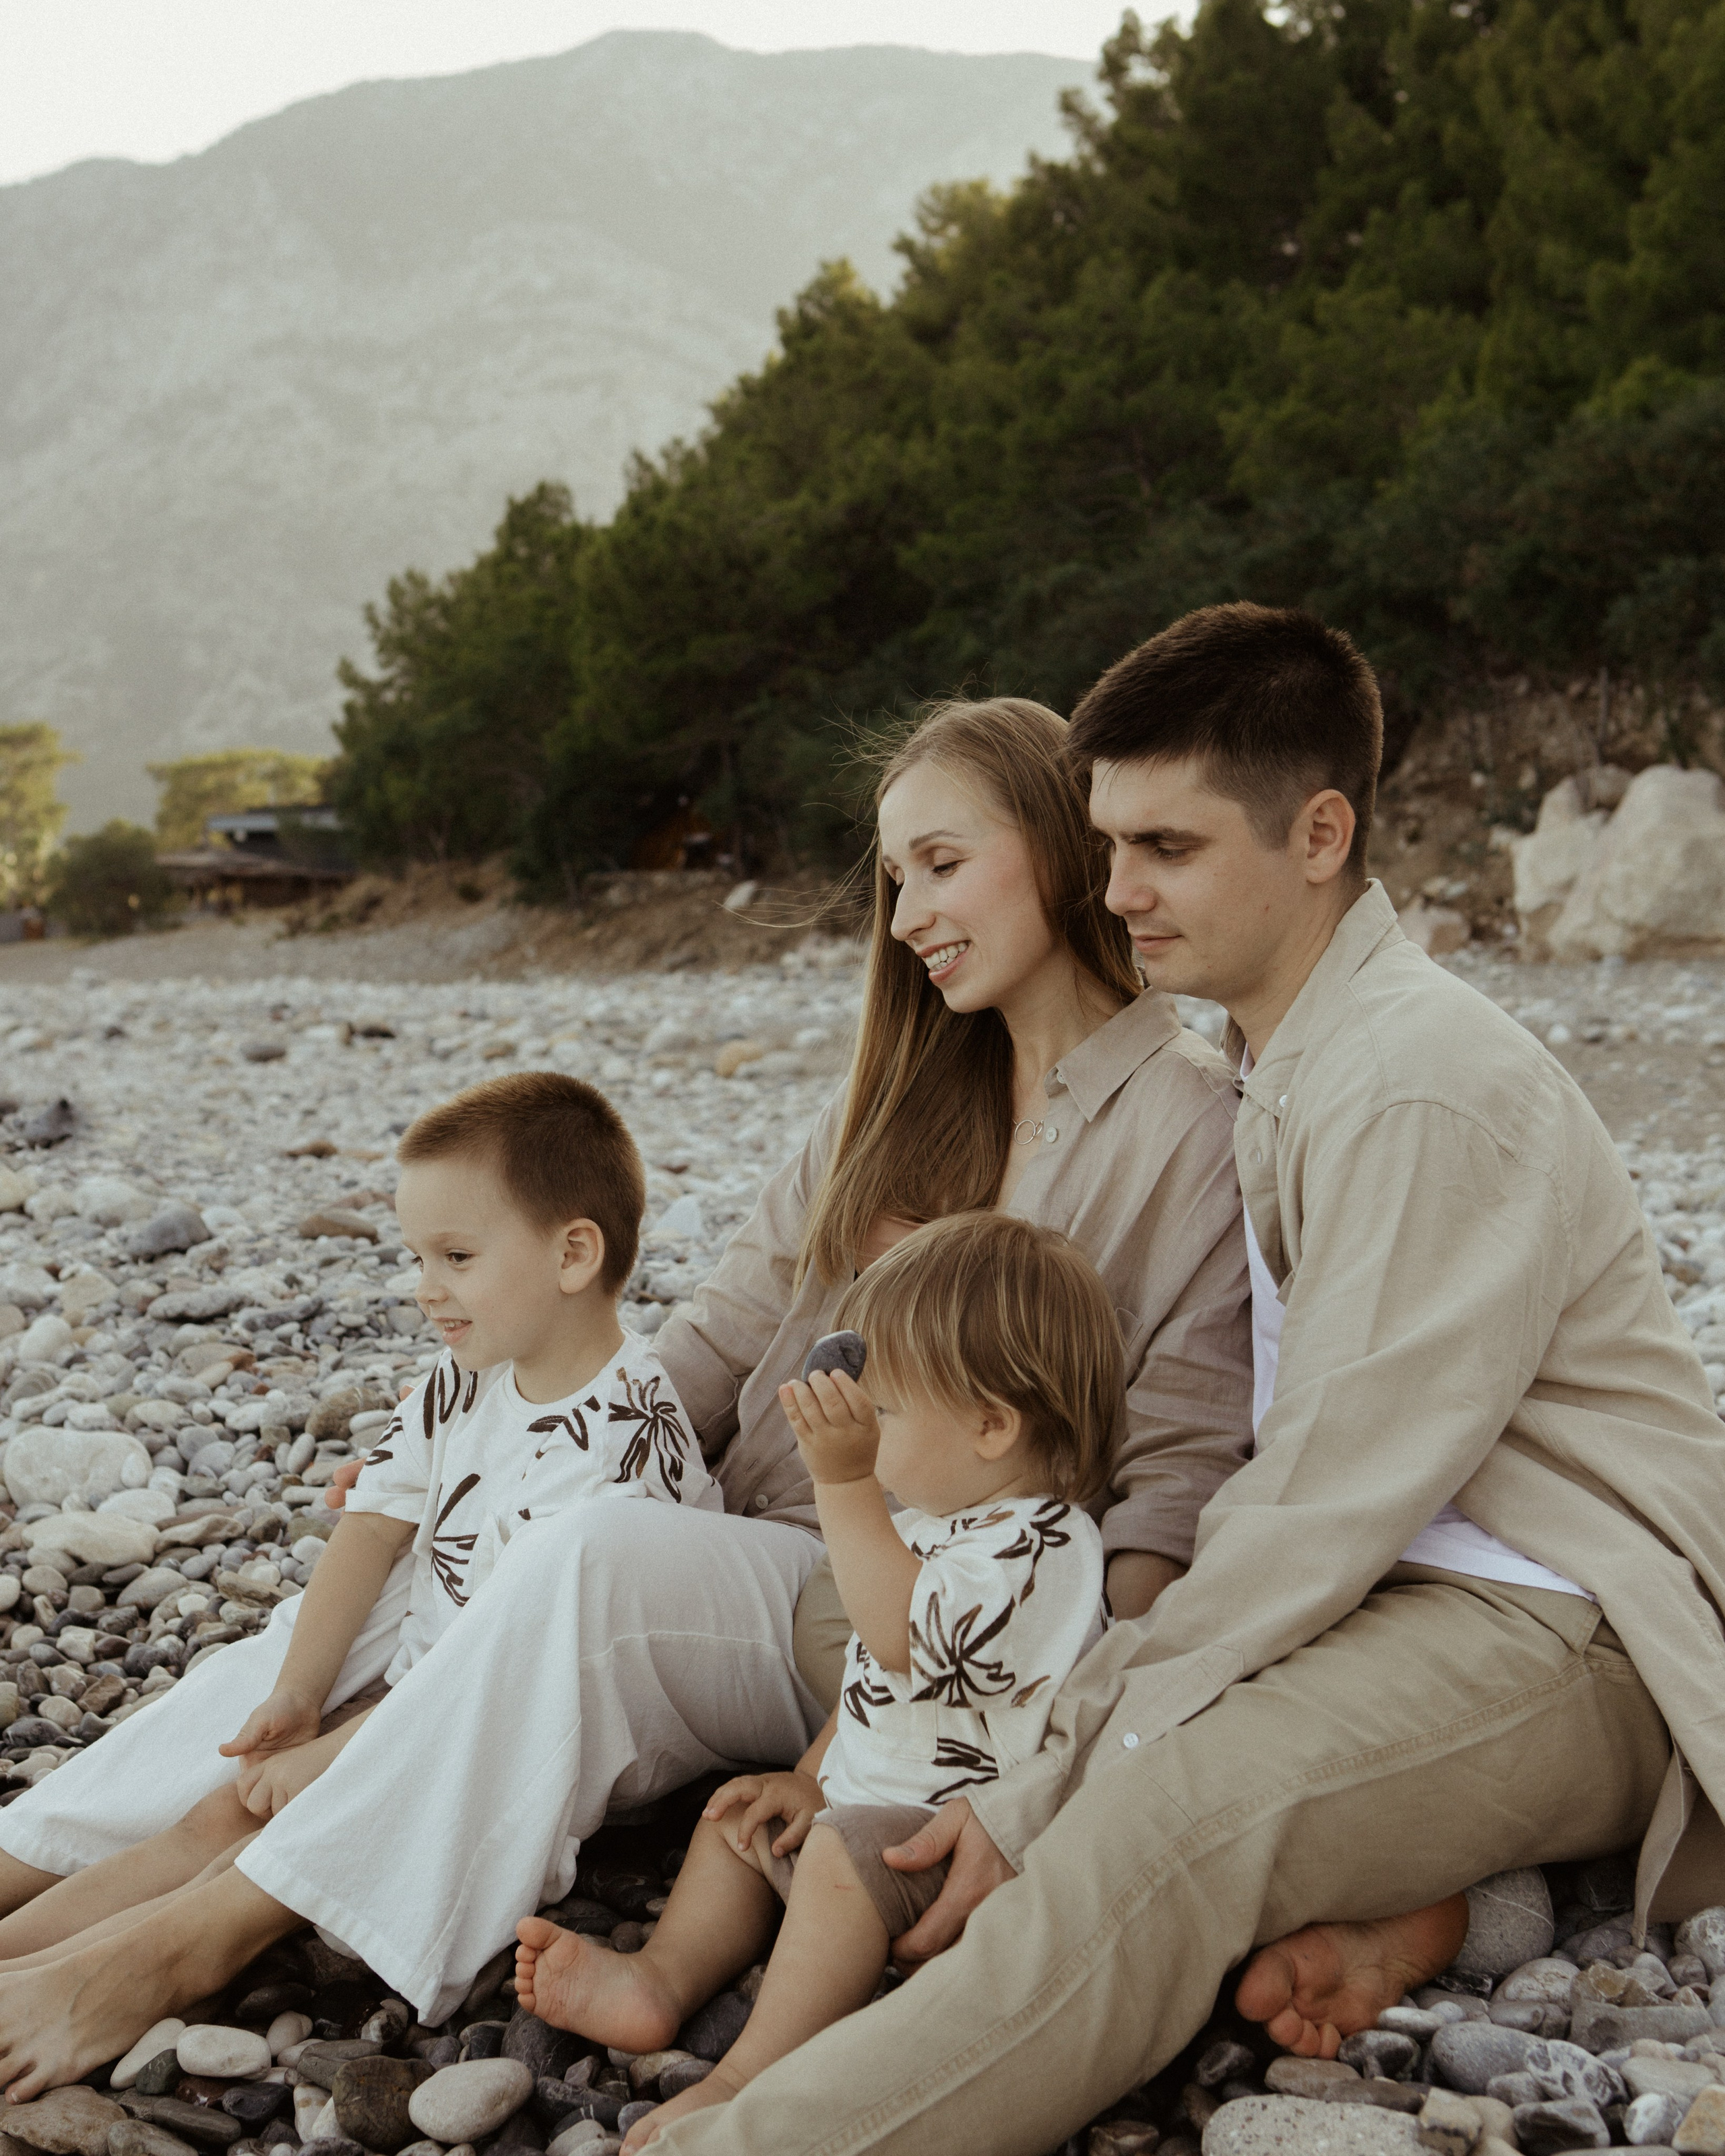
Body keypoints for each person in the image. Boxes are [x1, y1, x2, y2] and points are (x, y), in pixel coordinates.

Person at [0, 694, 1252, 2093]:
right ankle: (32, 1859)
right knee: (431, 1557)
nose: (906, 915)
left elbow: (1181, 1477)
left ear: (1061, 848)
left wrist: (1046, 1778)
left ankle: (193, 1936)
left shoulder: (1191, 1123)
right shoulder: (894, 1101)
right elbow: (709, 1344)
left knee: (592, 1557)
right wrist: (503, 1446)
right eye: (893, 878)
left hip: (920, 1620)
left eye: (943, 865)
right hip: (751, 1560)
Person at [641, 603, 1725, 2156]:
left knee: (1156, 1806)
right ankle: (1427, 1902)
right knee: (1098, 1737)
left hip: (1551, 1612)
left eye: (1164, 845)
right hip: (1392, 1593)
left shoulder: (1413, 1078)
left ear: (1317, 833)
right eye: (1104, 843)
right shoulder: (1282, 1057)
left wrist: (1059, 1769)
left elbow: (1322, 1502)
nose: (1115, 888)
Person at [517, 1212, 1117, 2151]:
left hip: (953, 1859)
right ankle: (660, 1981)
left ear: (992, 1425)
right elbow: (874, 1688)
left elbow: (906, 1640)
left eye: (886, 1415)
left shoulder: (1044, 1548)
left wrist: (840, 1487)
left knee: (837, 1858)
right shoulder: (933, 1526)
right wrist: (808, 1773)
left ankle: (748, 2076)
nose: (868, 1438)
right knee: (737, 1819)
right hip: (863, 1825)